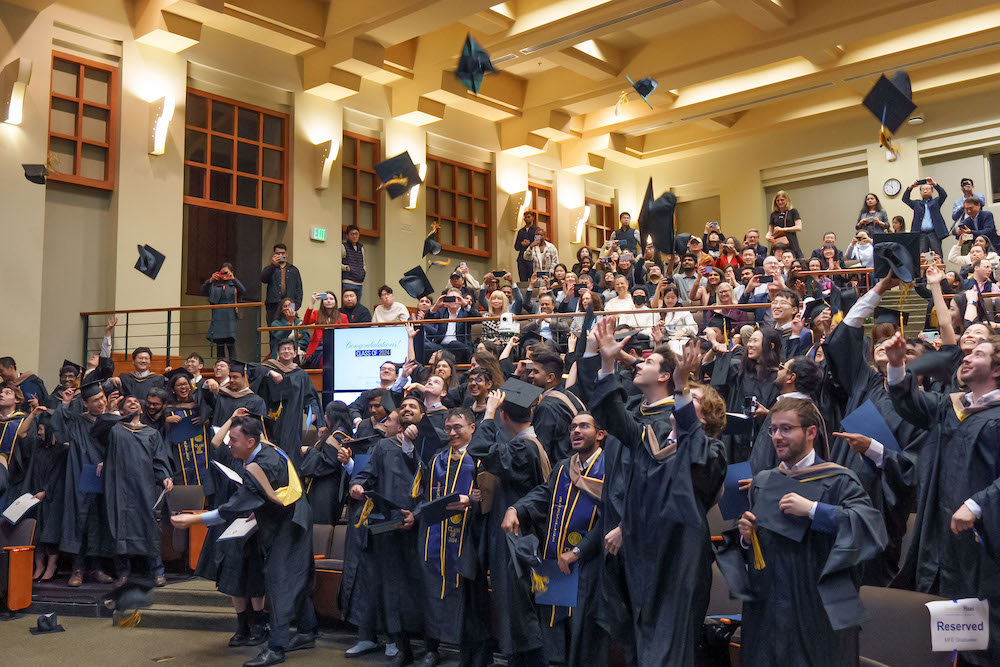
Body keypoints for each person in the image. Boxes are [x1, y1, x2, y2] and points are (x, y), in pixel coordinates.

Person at [584, 323, 726, 666]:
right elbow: (612, 416)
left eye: (688, 404)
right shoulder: (648, 442)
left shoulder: (711, 452)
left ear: (702, 419)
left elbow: (690, 476)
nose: (679, 408)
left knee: (671, 647)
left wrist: (680, 386)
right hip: (643, 557)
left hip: (679, 558)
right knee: (641, 642)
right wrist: (605, 364)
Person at [735, 398, 887, 666]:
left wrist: (815, 510)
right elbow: (756, 553)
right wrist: (747, 539)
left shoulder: (839, 480)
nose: (778, 437)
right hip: (771, 608)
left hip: (818, 607)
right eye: (773, 430)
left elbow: (869, 528)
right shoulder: (763, 481)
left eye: (786, 429)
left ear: (811, 432)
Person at [172, 415, 317, 667]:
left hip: (289, 526)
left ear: (251, 441)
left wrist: (192, 521)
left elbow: (228, 510)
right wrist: (257, 506)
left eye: (234, 440)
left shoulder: (258, 467)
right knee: (295, 578)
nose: (229, 444)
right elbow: (274, 491)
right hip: (294, 519)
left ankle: (276, 647)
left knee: (279, 580)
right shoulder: (270, 451)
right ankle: (306, 631)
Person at [504, 412, 609, 667]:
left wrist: (579, 551)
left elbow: (612, 518)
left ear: (600, 434)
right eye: (573, 426)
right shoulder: (564, 466)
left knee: (584, 636)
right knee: (554, 633)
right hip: (556, 562)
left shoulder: (610, 468)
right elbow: (543, 494)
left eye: (584, 426)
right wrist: (516, 508)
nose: (576, 431)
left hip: (591, 567)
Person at [467, 385, 551, 667]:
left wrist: (488, 412)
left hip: (516, 543)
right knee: (518, 616)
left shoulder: (523, 447)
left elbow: (477, 449)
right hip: (522, 539)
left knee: (519, 617)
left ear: (504, 417)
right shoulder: (533, 445)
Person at [349, 394, 428, 667]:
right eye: (403, 406)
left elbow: (434, 484)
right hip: (389, 524)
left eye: (413, 407)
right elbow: (366, 474)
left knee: (421, 588)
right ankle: (401, 646)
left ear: (423, 415)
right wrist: (357, 485)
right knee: (393, 589)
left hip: (421, 526)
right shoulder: (383, 446)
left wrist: (417, 515)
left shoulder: (432, 441)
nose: (406, 409)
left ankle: (430, 647)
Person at [417, 408, 490, 667]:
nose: (452, 432)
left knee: (471, 597)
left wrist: (471, 500)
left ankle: (476, 654)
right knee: (432, 591)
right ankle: (432, 647)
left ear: (472, 428)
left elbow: (490, 498)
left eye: (457, 427)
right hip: (435, 537)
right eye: (448, 428)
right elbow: (424, 497)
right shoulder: (437, 458)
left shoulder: (481, 457)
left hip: (469, 538)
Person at [98, 396, 173, 589]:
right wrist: (111, 408)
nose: (133, 403)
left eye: (136, 402)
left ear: (141, 409)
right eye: (128, 402)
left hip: (142, 486)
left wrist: (165, 476)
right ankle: (123, 573)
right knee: (119, 525)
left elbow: (159, 459)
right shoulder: (114, 429)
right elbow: (98, 429)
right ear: (121, 410)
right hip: (117, 485)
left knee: (147, 525)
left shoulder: (151, 433)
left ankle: (157, 571)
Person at [50, 379, 115, 587]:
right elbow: (58, 430)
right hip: (80, 476)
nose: (101, 403)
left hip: (104, 478)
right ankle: (77, 569)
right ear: (85, 403)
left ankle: (96, 568)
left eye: (102, 398)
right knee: (80, 520)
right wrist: (66, 404)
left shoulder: (111, 421)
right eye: (95, 400)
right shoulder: (77, 422)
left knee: (98, 521)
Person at [257, 338, 321, 460]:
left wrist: (313, 413)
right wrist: (271, 372)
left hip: (293, 419)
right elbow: (253, 371)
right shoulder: (267, 369)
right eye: (283, 349)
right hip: (272, 420)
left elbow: (310, 397)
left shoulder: (301, 375)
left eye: (289, 349)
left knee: (291, 451)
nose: (286, 351)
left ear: (294, 353)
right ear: (278, 353)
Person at [527, 347, 585, 463]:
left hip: (557, 470)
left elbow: (541, 451)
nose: (530, 375)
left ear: (550, 377)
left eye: (536, 372)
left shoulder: (546, 407)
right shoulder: (570, 396)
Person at [424, 290, 480, 364]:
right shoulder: (441, 311)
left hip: (459, 346)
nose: (453, 301)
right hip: (441, 346)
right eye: (450, 298)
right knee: (425, 345)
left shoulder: (466, 312)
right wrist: (436, 305)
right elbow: (427, 318)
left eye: (455, 298)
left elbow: (479, 319)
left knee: (453, 344)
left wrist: (465, 304)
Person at [203, 263, 246, 360]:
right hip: (218, 317)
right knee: (220, 345)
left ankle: (233, 367)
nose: (224, 275)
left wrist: (233, 279)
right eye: (222, 273)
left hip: (230, 317)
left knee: (231, 344)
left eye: (226, 273)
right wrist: (210, 280)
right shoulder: (214, 285)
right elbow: (203, 290)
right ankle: (221, 365)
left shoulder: (233, 285)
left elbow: (243, 290)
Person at [902, 177, 949, 257]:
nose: (925, 191)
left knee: (937, 255)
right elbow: (905, 199)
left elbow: (943, 195)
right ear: (920, 192)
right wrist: (911, 187)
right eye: (923, 189)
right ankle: (923, 270)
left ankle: (939, 270)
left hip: (934, 233)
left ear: (932, 191)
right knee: (922, 257)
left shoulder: (936, 202)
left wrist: (934, 184)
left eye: (927, 189)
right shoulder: (917, 203)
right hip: (921, 234)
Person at [302, 291, 348, 368]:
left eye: (331, 299)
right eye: (326, 299)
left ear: (335, 302)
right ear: (322, 302)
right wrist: (312, 303)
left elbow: (346, 335)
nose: (329, 301)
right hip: (319, 346)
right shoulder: (317, 314)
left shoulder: (343, 317)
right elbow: (306, 322)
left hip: (336, 346)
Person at [261, 243, 304, 324]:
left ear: (286, 254)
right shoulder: (270, 268)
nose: (280, 255)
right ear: (274, 255)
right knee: (273, 331)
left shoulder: (293, 270)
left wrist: (296, 305)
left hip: (290, 304)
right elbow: (263, 279)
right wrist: (273, 265)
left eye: (283, 253)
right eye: (278, 253)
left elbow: (299, 289)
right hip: (273, 305)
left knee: (289, 329)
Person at [766, 190, 803, 258]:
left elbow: (799, 227)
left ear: (787, 200)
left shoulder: (793, 212)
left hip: (791, 240)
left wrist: (783, 229)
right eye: (778, 200)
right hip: (778, 241)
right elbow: (770, 231)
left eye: (782, 200)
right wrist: (768, 236)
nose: (780, 202)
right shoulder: (773, 214)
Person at [341, 225, 367, 303]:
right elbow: (336, 263)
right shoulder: (343, 246)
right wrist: (346, 268)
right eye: (352, 234)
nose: (355, 236)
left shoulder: (361, 248)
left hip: (359, 282)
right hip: (348, 282)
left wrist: (364, 271)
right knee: (348, 305)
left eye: (356, 234)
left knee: (357, 307)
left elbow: (363, 263)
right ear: (347, 235)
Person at [515, 211, 543, 282]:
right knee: (522, 280)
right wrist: (522, 244)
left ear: (532, 218)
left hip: (533, 258)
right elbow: (516, 247)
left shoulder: (537, 230)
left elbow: (539, 243)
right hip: (522, 259)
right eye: (525, 217)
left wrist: (530, 244)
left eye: (528, 217)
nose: (527, 219)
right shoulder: (521, 231)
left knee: (533, 278)